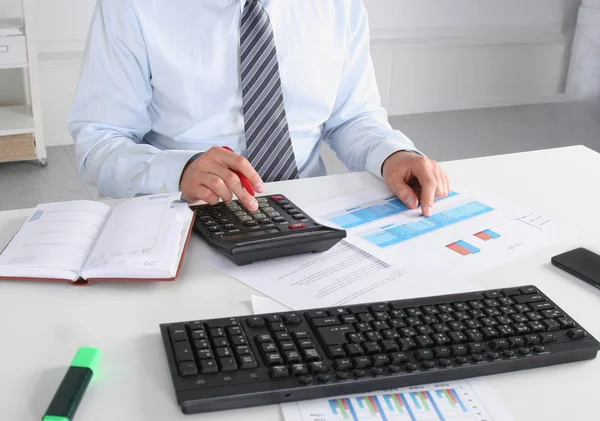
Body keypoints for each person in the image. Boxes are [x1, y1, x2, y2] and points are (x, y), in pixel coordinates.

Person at [68, 0, 450, 215]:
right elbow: (100, 143)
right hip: (185, 212)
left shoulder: (339, 5)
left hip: (306, 211)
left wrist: (392, 153)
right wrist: (180, 169)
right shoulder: (130, 7)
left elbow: (352, 116)